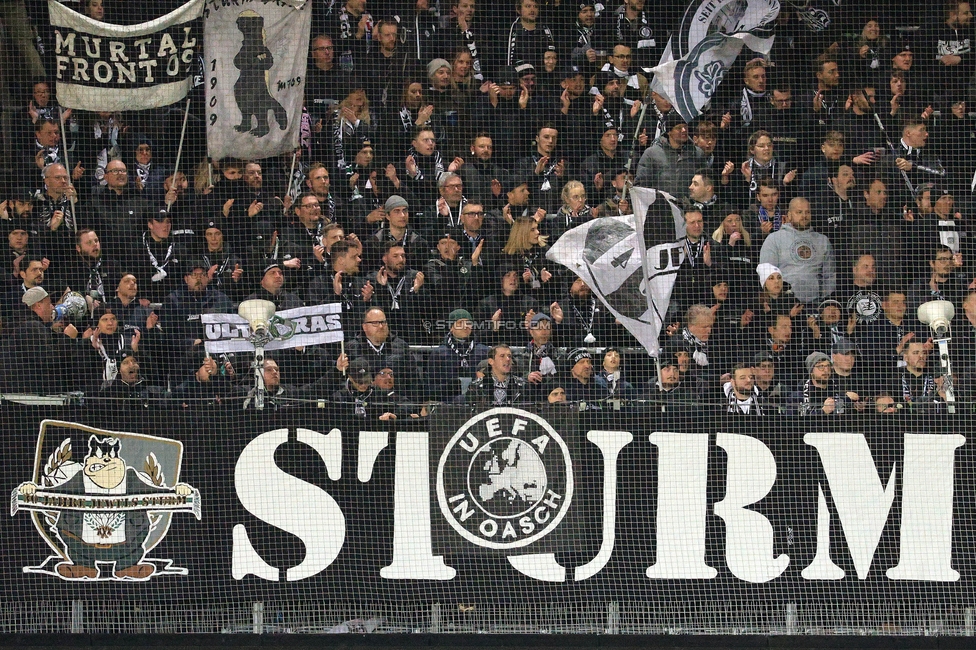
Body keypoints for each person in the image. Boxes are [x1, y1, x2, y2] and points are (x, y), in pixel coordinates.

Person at [759, 197, 836, 306]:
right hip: (782, 305)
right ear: (789, 215)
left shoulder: (822, 240)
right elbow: (766, 274)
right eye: (799, 212)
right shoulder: (774, 239)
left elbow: (829, 276)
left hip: (815, 305)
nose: (804, 216)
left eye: (807, 212)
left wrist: (826, 304)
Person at [426, 308, 489, 401]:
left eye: (468, 323)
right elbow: (431, 385)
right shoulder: (439, 353)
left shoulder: (483, 351)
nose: (465, 326)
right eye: (460, 323)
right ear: (451, 327)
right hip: (447, 404)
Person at [465, 343, 534, 406]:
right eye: (502, 356)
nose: (507, 359)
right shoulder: (476, 387)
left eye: (509, 356)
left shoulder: (523, 386)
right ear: (491, 361)